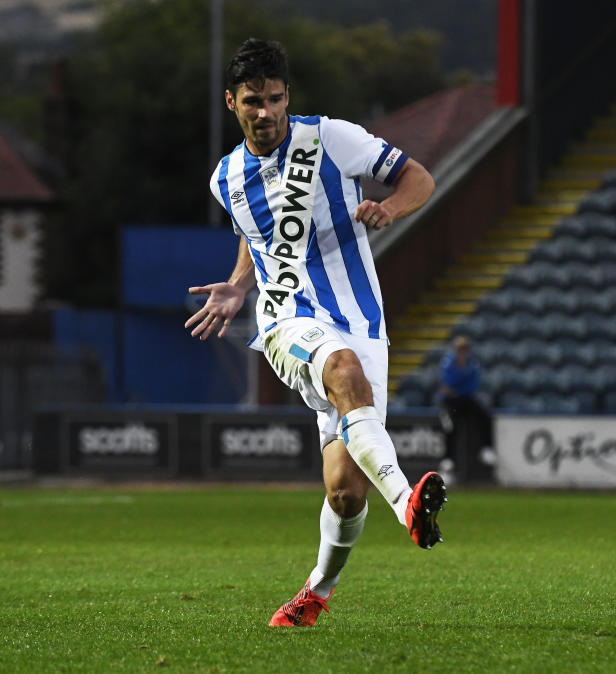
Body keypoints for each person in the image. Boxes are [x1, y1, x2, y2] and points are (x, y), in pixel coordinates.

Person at [185, 38, 444, 628]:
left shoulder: (332, 138)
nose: (266, 112)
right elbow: (258, 238)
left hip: (362, 320)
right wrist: (239, 286)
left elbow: (419, 179)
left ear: (287, 98)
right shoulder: (225, 178)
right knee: (343, 370)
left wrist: (391, 210)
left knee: (346, 492)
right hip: (285, 321)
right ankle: (409, 503)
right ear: (232, 102)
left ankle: (315, 593)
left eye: (275, 99)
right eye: (253, 101)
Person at [438, 336, 494, 479]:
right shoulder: (448, 363)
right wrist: (461, 380)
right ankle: (448, 460)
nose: (462, 353)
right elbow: (447, 384)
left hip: (465, 398)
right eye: (459, 350)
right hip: (450, 402)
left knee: (485, 416)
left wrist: (457, 386)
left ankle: (487, 448)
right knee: (450, 426)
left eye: (464, 350)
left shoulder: (472, 364)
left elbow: (472, 385)